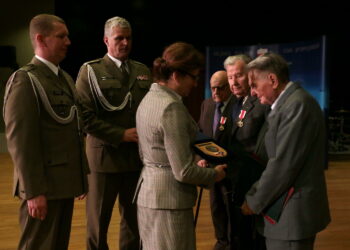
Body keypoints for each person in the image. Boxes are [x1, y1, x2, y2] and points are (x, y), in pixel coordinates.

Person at [3, 14, 89, 250]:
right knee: (38, 245)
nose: (68, 41)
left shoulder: (63, 78)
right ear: (41, 39)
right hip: (43, 187)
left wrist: (80, 178)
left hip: (63, 183)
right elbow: (21, 142)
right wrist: (33, 191)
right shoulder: (25, 80)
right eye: (62, 36)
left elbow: (73, 129)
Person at [134, 42, 227, 250]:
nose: (195, 84)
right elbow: (183, 172)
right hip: (169, 201)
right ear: (176, 75)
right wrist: (215, 175)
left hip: (150, 193)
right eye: (193, 77)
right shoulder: (171, 107)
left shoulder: (149, 97)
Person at [75, 16, 152, 250]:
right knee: (98, 224)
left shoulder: (141, 70)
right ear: (106, 40)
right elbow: (84, 117)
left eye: (128, 38)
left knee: (133, 223)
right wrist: (121, 134)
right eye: (119, 38)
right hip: (104, 160)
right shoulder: (91, 71)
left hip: (134, 160)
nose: (125, 43)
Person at [242, 52, 331, 250]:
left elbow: (282, 166)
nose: (253, 93)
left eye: (254, 85)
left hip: (291, 214)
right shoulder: (287, 104)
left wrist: (254, 201)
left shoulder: (297, 105)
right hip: (284, 209)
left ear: (272, 79)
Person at [222, 54, 269, 250]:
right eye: (230, 77)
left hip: (253, 179)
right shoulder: (232, 101)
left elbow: (266, 146)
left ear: (250, 74)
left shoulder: (262, 101)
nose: (234, 82)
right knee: (236, 232)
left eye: (238, 76)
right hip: (232, 178)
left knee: (253, 237)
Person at [197, 70, 236, 250]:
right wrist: (200, 157)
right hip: (212, 170)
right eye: (212, 88)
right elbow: (200, 133)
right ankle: (221, 242)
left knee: (230, 210)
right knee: (216, 208)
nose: (215, 93)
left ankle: (231, 243)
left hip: (231, 170)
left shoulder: (237, 105)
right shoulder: (207, 104)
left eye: (220, 88)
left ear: (228, 87)